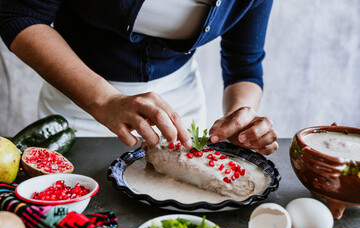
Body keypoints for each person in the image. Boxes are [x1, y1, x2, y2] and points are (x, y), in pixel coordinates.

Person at [0, 0, 278, 155]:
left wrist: (241, 116)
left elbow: (245, 64)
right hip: (80, 101)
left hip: (183, 107)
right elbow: (18, 13)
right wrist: (105, 100)